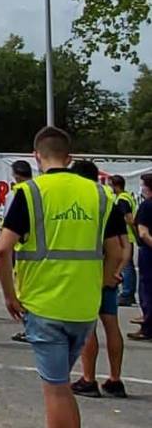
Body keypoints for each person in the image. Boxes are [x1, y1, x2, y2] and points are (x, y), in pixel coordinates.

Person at [0, 127, 122, 428]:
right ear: (70, 157)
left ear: (36, 156)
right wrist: (104, 282)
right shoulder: (99, 194)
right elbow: (116, 250)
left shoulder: (31, 192)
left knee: (56, 391)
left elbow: (2, 249)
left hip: (44, 304)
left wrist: (10, 295)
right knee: (62, 387)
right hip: (83, 307)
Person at [67, 161, 129, 399]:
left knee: (88, 328)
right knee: (112, 325)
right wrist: (116, 272)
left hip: (90, 275)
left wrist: (102, 278)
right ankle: (115, 379)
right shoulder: (110, 205)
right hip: (110, 274)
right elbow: (124, 246)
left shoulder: (86, 205)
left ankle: (88, 378)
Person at [7, 160, 34, 344]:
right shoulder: (39, 190)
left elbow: (10, 224)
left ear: (16, 175)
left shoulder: (19, 193)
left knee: (23, 291)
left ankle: (29, 328)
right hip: (42, 249)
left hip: (22, 248)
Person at [127, 173, 152, 342]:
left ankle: (148, 327)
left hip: (149, 253)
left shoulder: (146, 206)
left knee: (147, 289)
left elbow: (143, 233)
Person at [110, 175, 138, 306]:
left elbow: (129, 218)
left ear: (116, 186)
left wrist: (135, 233)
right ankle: (128, 293)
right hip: (128, 236)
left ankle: (127, 294)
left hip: (125, 236)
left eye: (111, 185)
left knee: (126, 266)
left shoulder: (122, 200)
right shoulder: (127, 197)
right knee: (128, 266)